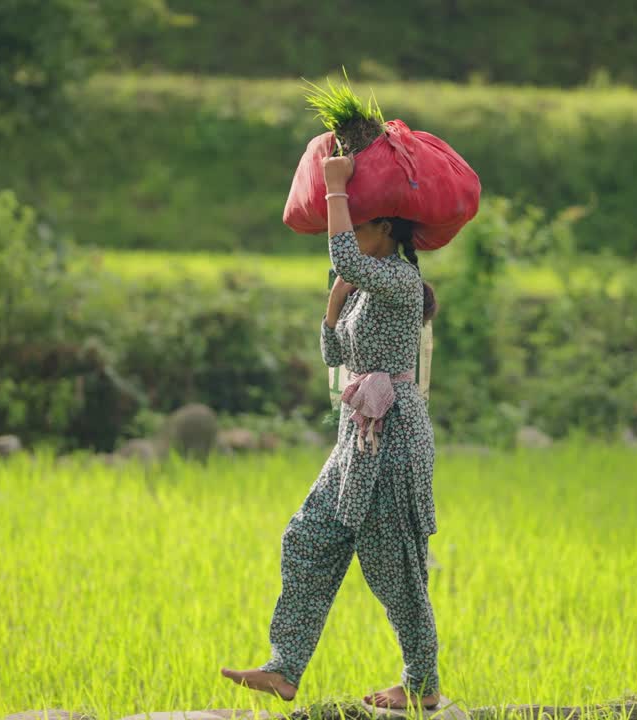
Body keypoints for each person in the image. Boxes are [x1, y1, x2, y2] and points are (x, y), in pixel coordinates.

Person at [221, 153, 442, 710]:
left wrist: (336, 185)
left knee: (395, 569)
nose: (349, 233)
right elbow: (338, 355)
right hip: (355, 438)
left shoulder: (399, 280)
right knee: (307, 538)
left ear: (384, 230)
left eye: (358, 222)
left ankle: (422, 685)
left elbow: (342, 249)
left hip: (391, 438)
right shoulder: (365, 285)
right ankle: (284, 667)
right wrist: (331, 310)